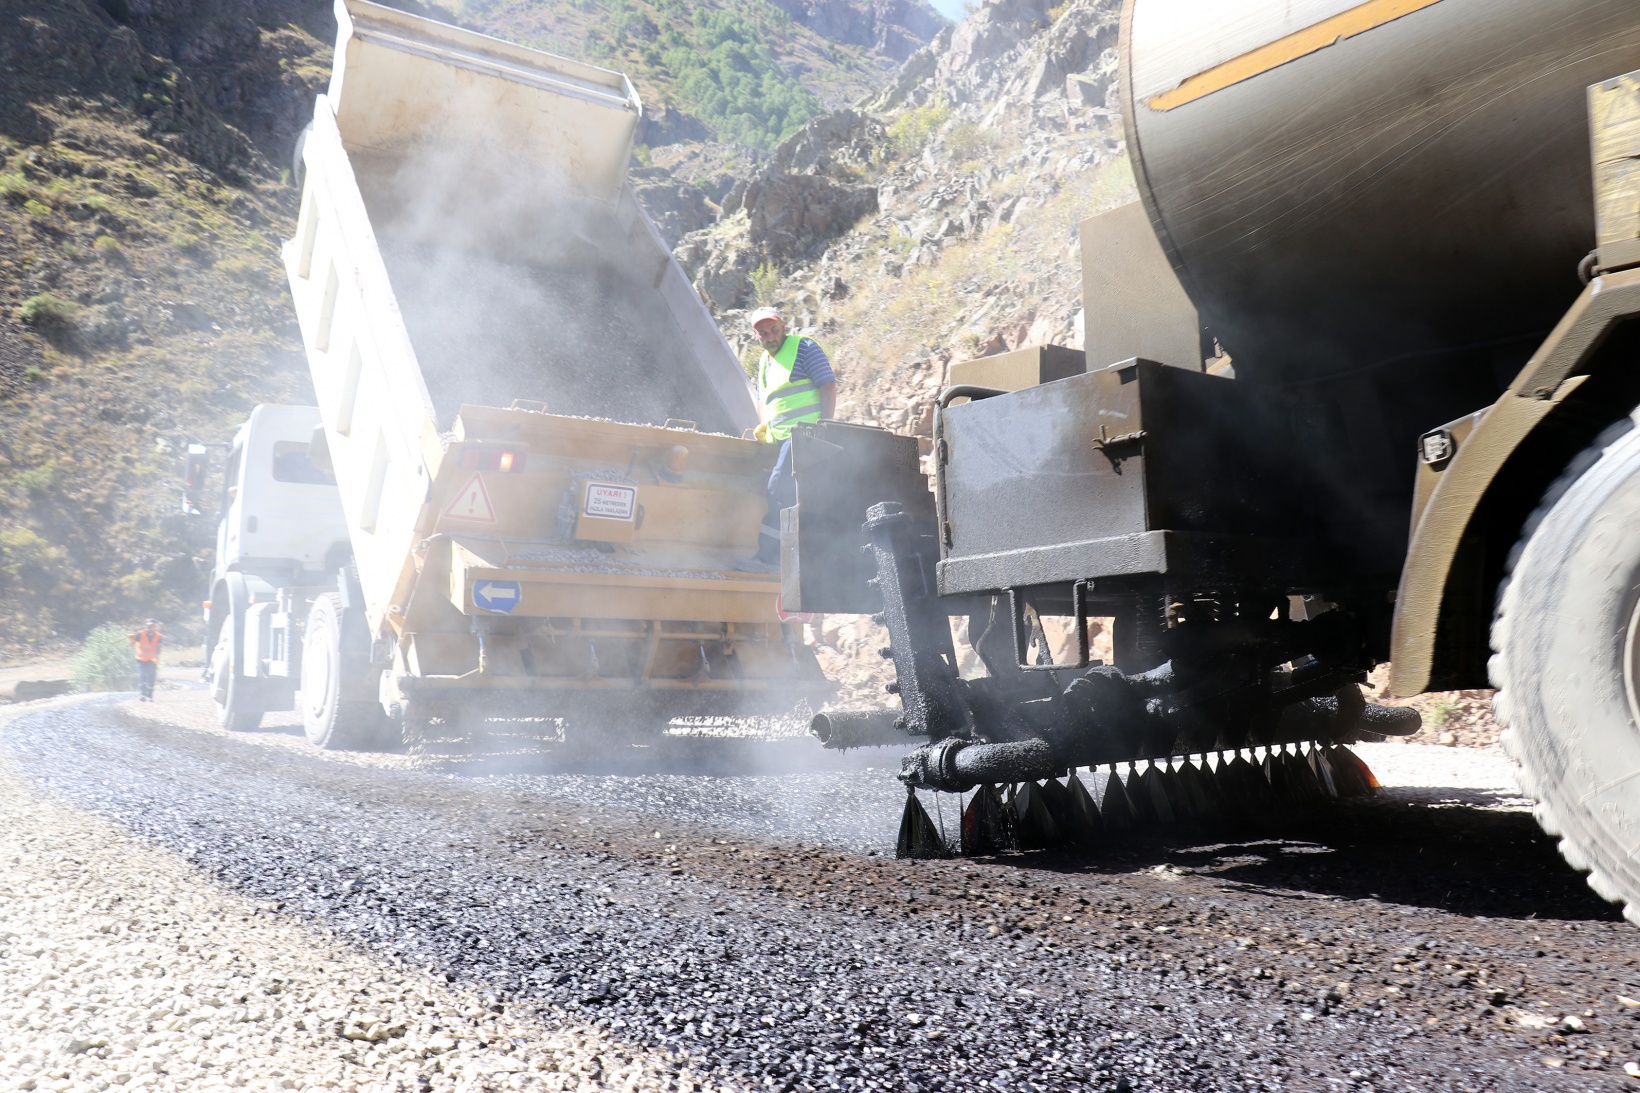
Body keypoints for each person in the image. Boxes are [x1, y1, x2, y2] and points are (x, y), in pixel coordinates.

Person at [735, 306, 837, 573]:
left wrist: (824, 426)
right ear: (755, 336)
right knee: (788, 495)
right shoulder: (764, 362)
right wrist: (765, 426)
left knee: (778, 490)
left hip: (805, 435)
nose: (770, 337)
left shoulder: (804, 348)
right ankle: (800, 559)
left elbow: (827, 384)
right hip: (782, 438)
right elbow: (764, 399)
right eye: (763, 333)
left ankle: (770, 560)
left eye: (774, 330)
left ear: (784, 326)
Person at [129, 619, 162, 701]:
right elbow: (132, 644)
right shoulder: (140, 634)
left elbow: (159, 648)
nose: (150, 627)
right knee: (142, 676)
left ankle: (150, 695)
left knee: (151, 677)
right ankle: (142, 695)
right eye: (148, 626)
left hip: (153, 659)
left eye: (152, 626)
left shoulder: (159, 636)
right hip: (141, 659)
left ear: (155, 626)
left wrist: (157, 658)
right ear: (146, 626)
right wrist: (131, 637)